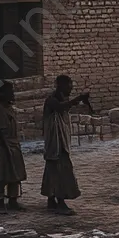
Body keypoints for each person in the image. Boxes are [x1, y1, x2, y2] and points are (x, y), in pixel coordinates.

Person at [41, 75, 88, 215]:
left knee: (52, 171)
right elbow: (60, 107)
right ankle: (60, 202)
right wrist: (78, 99)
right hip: (55, 143)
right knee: (61, 171)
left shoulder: (61, 100)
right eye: (69, 86)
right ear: (61, 86)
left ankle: (51, 201)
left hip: (58, 142)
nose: (71, 89)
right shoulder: (51, 101)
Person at [0, 81, 26, 214]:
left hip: (12, 144)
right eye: (10, 91)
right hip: (1, 146)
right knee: (1, 175)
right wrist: (8, 149)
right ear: (1, 93)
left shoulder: (9, 108)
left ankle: (13, 200)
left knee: (14, 174)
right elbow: (1, 132)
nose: (13, 94)